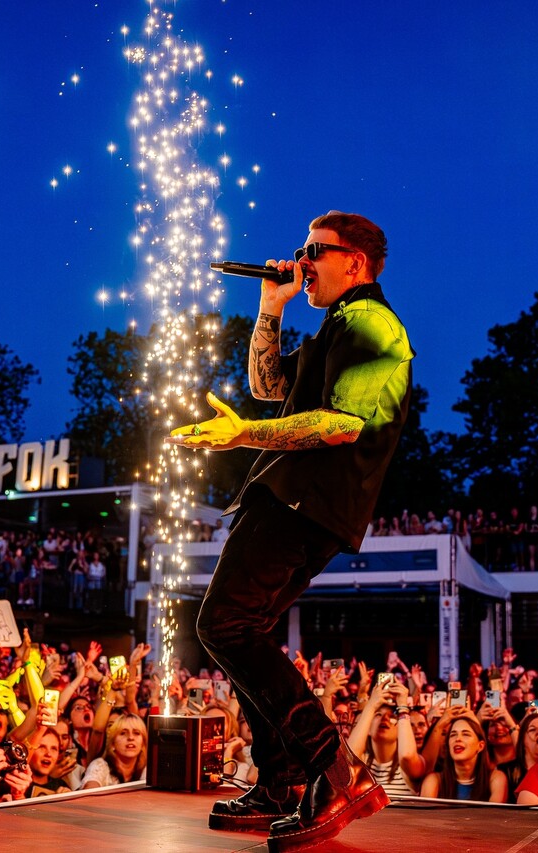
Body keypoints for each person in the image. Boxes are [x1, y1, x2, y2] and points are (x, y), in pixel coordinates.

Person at [168, 211, 412, 850]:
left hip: (305, 501)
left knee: (224, 625)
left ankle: (334, 770)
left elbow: (341, 425)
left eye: (315, 251)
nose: (301, 261)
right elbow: (269, 385)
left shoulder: (371, 322)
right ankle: (280, 780)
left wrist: (242, 436)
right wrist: (270, 307)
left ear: (354, 262)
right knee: (239, 628)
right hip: (294, 499)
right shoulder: (338, 326)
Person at [420, 711, 507, 802]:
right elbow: (425, 811)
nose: (458, 739)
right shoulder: (434, 780)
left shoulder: (495, 778)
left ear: (480, 746)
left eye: (466, 734)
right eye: (453, 735)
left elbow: (494, 811)